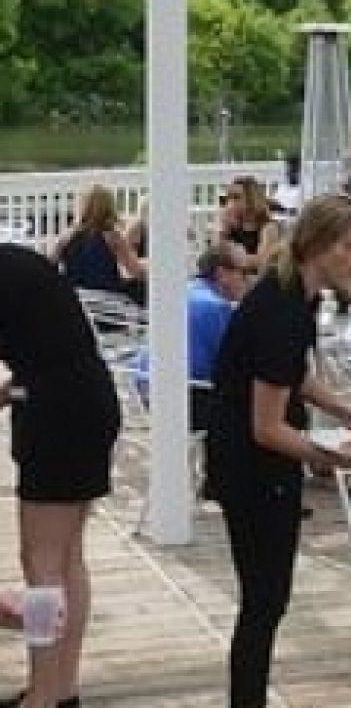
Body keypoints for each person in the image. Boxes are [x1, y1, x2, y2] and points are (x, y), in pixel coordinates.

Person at [204, 194, 351, 708]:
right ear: (318, 246)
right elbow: (267, 427)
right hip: (252, 469)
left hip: (249, 460)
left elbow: (291, 374)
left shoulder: (296, 293)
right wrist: (329, 456)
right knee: (264, 600)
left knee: (266, 599)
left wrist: (350, 414)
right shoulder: (281, 311)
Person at [0, 245, 121, 708]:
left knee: (41, 563)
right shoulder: (20, 263)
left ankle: (43, 697)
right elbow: (52, 347)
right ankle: (62, 688)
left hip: (56, 417)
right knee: (68, 556)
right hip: (91, 398)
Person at [134, 240, 247, 432]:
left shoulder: (184, 290)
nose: (248, 279)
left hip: (149, 388)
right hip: (184, 397)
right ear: (222, 274)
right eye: (244, 272)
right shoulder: (216, 307)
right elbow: (235, 366)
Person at [52, 183, 147, 305]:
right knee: (146, 288)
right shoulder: (112, 237)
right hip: (109, 301)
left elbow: (48, 265)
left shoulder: (66, 237)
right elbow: (136, 271)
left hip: (79, 301)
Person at [217, 175, 280, 275]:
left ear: (251, 199)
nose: (230, 203)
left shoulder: (268, 227)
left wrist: (236, 258)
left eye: (236, 197)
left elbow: (263, 262)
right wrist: (223, 230)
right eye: (229, 198)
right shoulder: (231, 226)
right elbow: (215, 257)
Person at [269, 152, 302, 220]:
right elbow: (273, 205)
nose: (289, 173)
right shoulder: (281, 187)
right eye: (288, 169)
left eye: (294, 170)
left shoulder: (303, 190)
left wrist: (284, 210)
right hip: (276, 222)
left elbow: (297, 211)